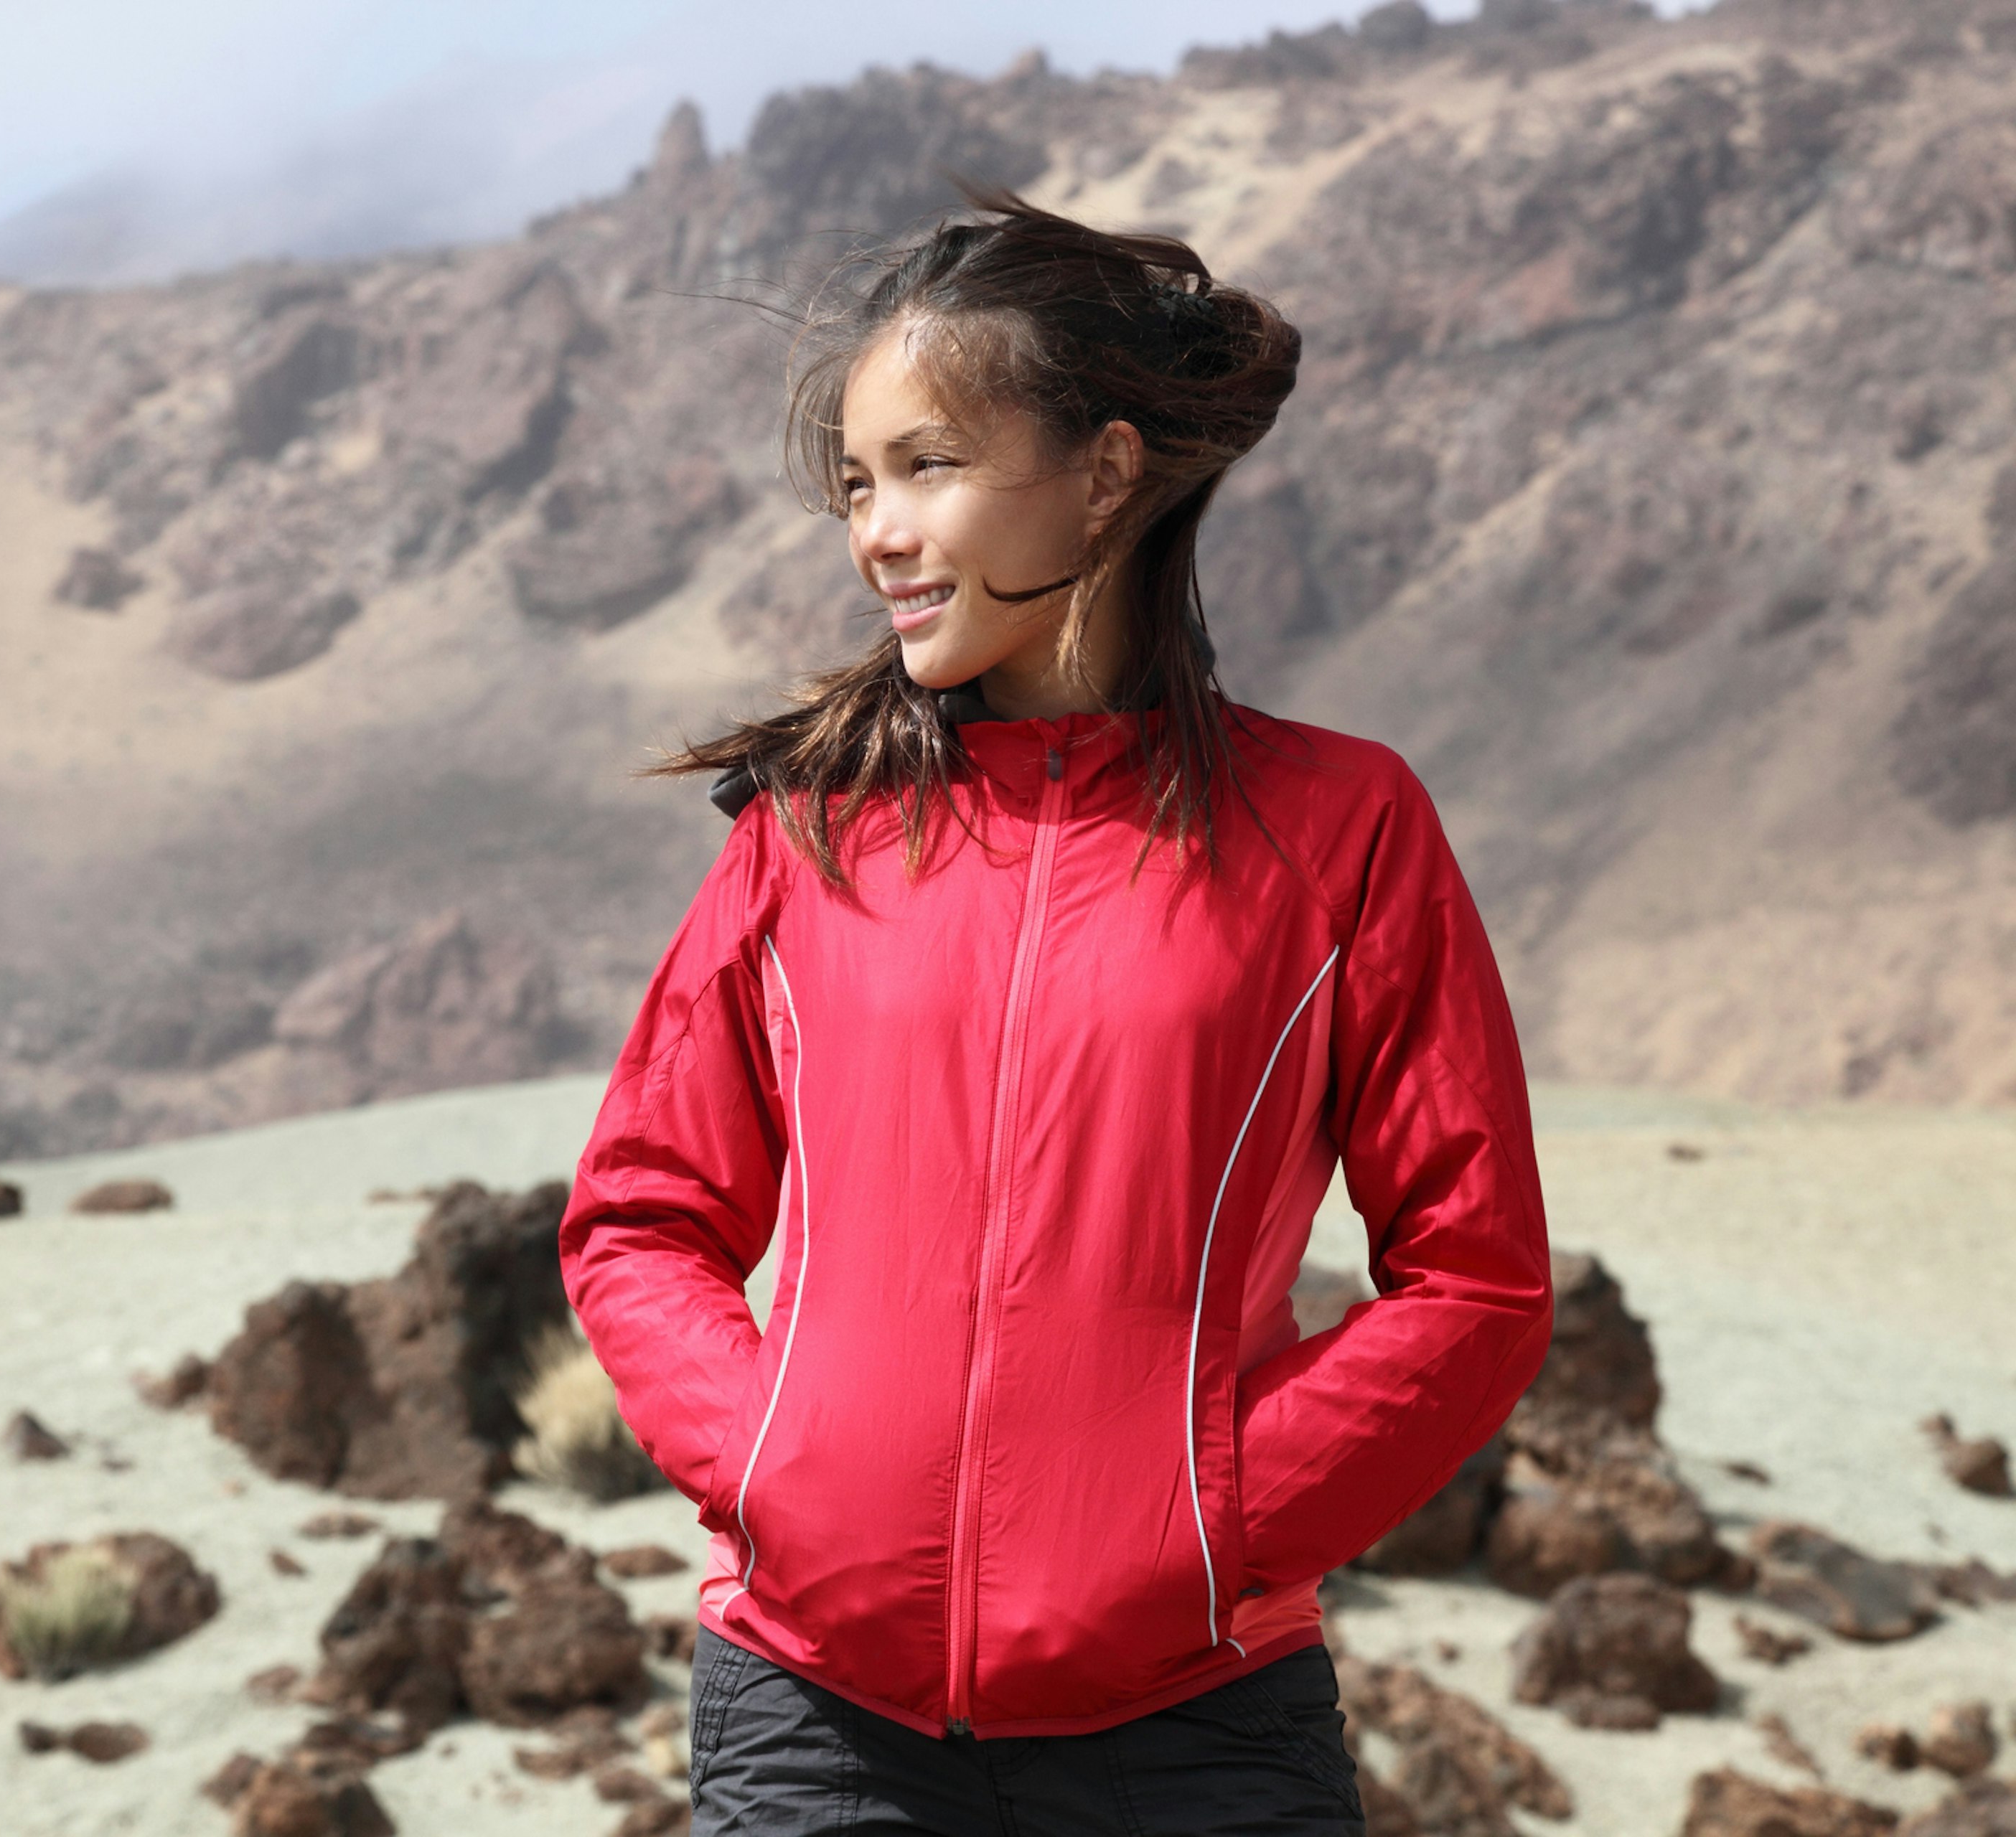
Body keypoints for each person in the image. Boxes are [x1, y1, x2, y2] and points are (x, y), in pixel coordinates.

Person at [555, 189, 1555, 1836]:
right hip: (818, 1723)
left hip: (1199, 1723)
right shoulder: (812, 830)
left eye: (931, 465)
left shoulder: (1341, 829)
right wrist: (774, 1457)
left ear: (1101, 471)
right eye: (859, 483)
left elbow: (1477, 1270)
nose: (879, 529)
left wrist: (1218, 1511)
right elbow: (639, 1215)